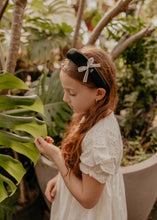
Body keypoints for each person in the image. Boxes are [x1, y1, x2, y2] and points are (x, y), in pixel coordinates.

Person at [34, 46, 127, 220]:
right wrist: (61, 177)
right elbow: (87, 171)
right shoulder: (94, 113)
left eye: (72, 93)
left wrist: (56, 156)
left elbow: (88, 200)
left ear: (99, 93)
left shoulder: (100, 139)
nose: (64, 98)